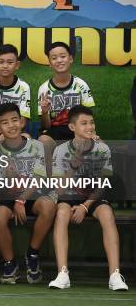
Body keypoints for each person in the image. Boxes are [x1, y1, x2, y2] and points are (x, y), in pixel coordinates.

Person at [48, 105, 128, 291]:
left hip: (93, 197)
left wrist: (85, 207)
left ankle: (115, 275)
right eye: (83, 123)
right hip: (69, 195)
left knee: (107, 214)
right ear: (72, 127)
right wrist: (75, 163)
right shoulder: (60, 151)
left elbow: (104, 183)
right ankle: (62, 273)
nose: (89, 127)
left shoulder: (102, 149)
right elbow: (59, 190)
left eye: (91, 122)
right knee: (61, 213)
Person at [0, 103, 56, 284]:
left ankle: (32, 255)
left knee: (48, 205)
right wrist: (11, 178)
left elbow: (40, 178)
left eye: (14, 120)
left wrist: (21, 200)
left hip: (30, 193)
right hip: (8, 194)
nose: (11, 125)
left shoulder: (37, 147)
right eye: (5, 123)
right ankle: (10, 263)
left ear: (22, 121)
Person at [38, 42, 95, 172]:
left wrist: (90, 133)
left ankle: (86, 187)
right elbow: (46, 126)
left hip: (77, 130)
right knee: (43, 141)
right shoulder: (44, 88)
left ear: (70, 59)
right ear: (49, 62)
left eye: (63, 56)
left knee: (99, 143)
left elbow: (88, 116)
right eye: (54, 58)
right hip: (55, 131)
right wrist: (45, 112)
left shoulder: (81, 85)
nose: (59, 60)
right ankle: (49, 184)